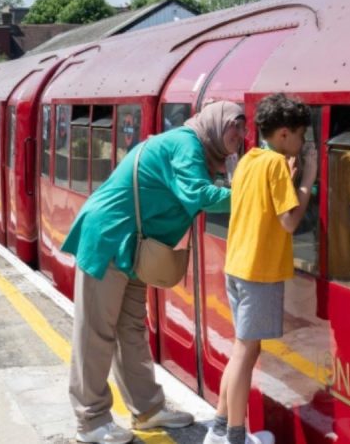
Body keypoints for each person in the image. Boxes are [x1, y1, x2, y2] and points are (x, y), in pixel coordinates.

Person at [61, 101, 246, 444]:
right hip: (110, 238)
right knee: (95, 332)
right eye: (234, 123)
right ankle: (90, 421)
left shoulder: (201, 149)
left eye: (243, 125)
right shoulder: (187, 144)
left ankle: (146, 410)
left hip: (135, 247)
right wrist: (255, 194)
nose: (240, 133)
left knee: (130, 328)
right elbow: (199, 195)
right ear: (216, 122)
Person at [205, 93, 315, 444]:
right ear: (284, 134)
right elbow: (289, 222)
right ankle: (235, 436)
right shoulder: (277, 165)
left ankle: (219, 428)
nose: (303, 143)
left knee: (242, 349)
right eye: (301, 135)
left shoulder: (249, 159)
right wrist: (307, 181)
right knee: (245, 351)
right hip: (259, 272)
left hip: (238, 266)